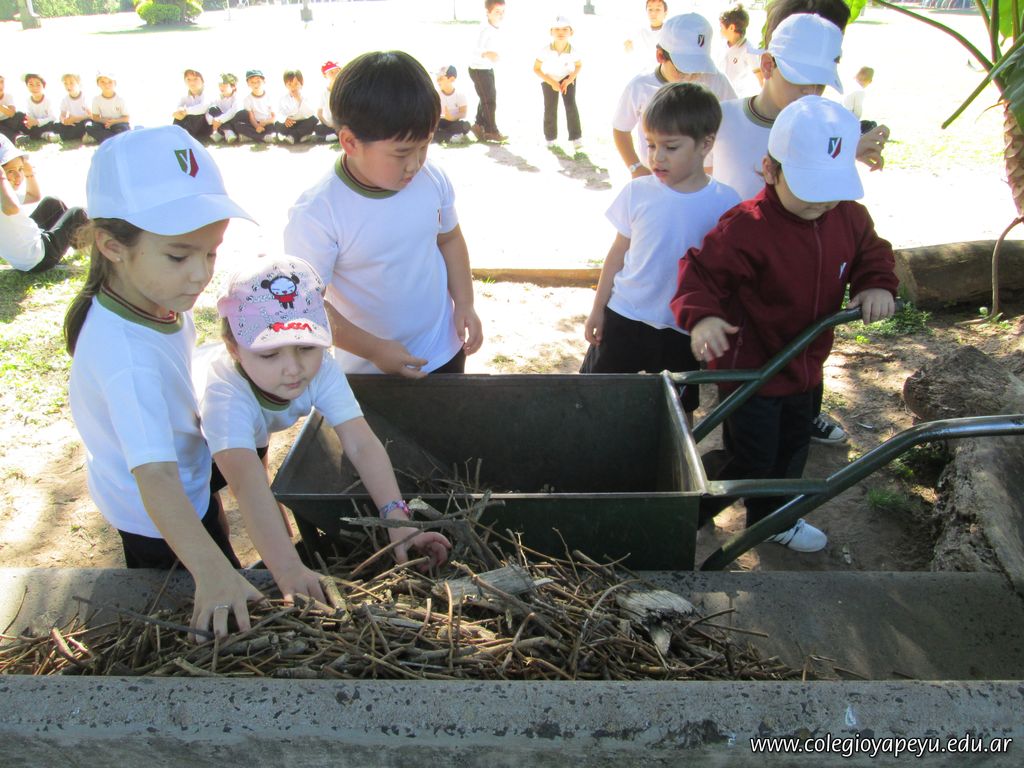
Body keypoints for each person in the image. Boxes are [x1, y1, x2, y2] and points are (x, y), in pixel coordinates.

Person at [672, 96, 898, 552]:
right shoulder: (746, 227)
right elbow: (700, 274)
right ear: (769, 170)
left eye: (832, 187)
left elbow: (871, 252)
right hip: (753, 369)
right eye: (810, 188)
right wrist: (704, 317)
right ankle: (683, 511)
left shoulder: (848, 216)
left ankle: (773, 517)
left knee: (794, 445)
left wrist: (876, 283)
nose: (823, 200)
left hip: (806, 363)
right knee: (750, 455)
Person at [64, 125, 260, 640]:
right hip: (157, 517)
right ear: (112, 245)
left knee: (215, 533)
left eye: (211, 252)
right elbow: (154, 477)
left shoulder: (156, 298)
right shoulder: (127, 359)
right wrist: (212, 571)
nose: (200, 274)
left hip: (183, 469)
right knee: (204, 621)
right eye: (180, 255)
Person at [201, 256, 452, 599]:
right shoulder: (224, 398)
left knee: (257, 462)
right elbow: (245, 486)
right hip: (188, 446)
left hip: (253, 425)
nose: (293, 368)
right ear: (234, 350)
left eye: (306, 346)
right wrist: (289, 572)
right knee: (205, 515)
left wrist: (398, 518)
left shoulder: (320, 369)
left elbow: (361, 444)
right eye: (269, 354)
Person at [283, 51, 483, 377]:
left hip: (443, 350)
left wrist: (464, 303)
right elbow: (305, 303)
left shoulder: (432, 178)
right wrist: (374, 350)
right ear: (350, 142)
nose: (415, 164)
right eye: (401, 153)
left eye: (425, 145)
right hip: (369, 370)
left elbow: (449, 239)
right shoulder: (318, 214)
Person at [581, 82, 740, 422]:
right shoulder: (637, 192)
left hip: (680, 328)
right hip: (625, 314)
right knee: (593, 397)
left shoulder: (726, 203)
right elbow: (617, 254)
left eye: (671, 147)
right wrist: (598, 309)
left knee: (676, 413)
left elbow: (726, 273)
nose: (656, 157)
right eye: (651, 145)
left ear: (705, 144)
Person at [613, 13, 735, 177]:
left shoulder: (717, 80)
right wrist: (635, 167)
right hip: (658, 175)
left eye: (698, 67)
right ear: (660, 56)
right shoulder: (640, 86)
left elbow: (735, 121)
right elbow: (621, 128)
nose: (692, 75)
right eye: (683, 68)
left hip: (705, 176)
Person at [1, 135, 88, 272]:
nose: (18, 176)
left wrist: (29, 174)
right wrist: (2, 179)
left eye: (20, 169)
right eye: (10, 172)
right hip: (40, 259)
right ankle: (83, 245)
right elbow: (11, 208)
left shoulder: (6, 195)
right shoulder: (7, 200)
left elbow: (33, 196)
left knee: (52, 202)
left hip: (25, 257)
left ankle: (71, 240)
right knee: (77, 213)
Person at [534, 15, 584, 154]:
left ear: (571, 32)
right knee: (550, 108)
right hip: (549, 79)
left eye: (565, 29)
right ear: (551, 32)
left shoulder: (573, 51)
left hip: (567, 78)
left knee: (571, 106)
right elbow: (536, 68)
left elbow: (579, 65)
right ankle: (550, 138)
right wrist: (551, 82)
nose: (560, 32)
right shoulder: (545, 50)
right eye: (556, 29)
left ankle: (576, 138)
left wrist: (569, 80)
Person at [468, 0, 508, 143]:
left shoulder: (494, 28)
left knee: (486, 97)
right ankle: (491, 130)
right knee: (489, 100)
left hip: (487, 68)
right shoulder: (485, 29)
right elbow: (475, 49)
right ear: (488, 12)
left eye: (502, 12)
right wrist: (486, 53)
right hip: (478, 69)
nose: (501, 15)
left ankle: (478, 125)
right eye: (497, 12)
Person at [719, 5, 763, 97]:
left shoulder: (748, 49)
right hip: (720, 93)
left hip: (736, 96)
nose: (720, 30)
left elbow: (760, 77)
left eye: (721, 27)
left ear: (731, 27)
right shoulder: (722, 44)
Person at [85, 71, 131, 144]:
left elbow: (126, 118)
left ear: (115, 83)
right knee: (89, 126)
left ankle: (108, 138)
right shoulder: (96, 100)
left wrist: (114, 121)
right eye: (103, 82)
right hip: (104, 123)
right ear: (98, 84)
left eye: (110, 82)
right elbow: (95, 117)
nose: (106, 85)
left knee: (123, 129)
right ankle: (115, 139)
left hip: (118, 123)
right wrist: (106, 121)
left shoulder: (120, 99)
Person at [276, 70, 319, 144]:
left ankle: (293, 136)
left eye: (296, 84)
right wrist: (285, 119)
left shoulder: (306, 96)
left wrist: (299, 100)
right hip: (291, 123)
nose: (293, 87)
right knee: (277, 124)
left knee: (313, 120)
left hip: (303, 122)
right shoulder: (283, 99)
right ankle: (299, 136)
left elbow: (310, 112)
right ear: (285, 85)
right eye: (290, 84)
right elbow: (280, 112)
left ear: (301, 84)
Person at [234, 69, 277, 144]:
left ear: (264, 81)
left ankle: (252, 137)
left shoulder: (270, 97)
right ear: (248, 84)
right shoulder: (247, 99)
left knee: (275, 127)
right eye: (252, 82)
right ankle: (262, 137)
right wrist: (257, 126)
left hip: (267, 123)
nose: (255, 84)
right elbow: (251, 117)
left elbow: (274, 117)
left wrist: (266, 122)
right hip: (255, 123)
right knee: (239, 125)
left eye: (258, 81)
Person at [172, 69, 213, 142]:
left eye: (195, 79)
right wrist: (179, 111)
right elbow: (178, 107)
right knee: (178, 117)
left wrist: (185, 111)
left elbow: (203, 107)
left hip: (206, 126)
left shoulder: (208, 92)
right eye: (188, 79)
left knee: (196, 114)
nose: (192, 82)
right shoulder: (184, 96)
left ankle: (185, 136)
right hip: (193, 125)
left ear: (202, 80)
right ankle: (176, 136)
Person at [434, 65, 471, 144]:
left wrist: (452, 117)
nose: (437, 81)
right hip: (440, 122)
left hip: (453, 123)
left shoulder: (459, 94)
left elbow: (463, 113)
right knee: (430, 127)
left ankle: (444, 136)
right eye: (437, 78)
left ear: (451, 79)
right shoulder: (436, 95)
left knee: (466, 125)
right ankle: (451, 136)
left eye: (441, 78)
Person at [207, 73, 243, 144]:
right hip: (222, 122)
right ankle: (227, 132)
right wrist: (213, 121)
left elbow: (233, 112)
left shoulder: (237, 97)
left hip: (234, 121)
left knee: (239, 115)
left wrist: (219, 120)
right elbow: (209, 111)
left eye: (225, 85)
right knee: (213, 109)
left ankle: (227, 132)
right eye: (220, 85)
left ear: (233, 87)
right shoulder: (217, 98)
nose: (221, 87)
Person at [22, 74, 60, 143]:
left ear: (43, 86)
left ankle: (46, 135)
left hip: (49, 124)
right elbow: (30, 115)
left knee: (55, 125)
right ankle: (45, 135)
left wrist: (37, 122)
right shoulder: (28, 100)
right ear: (27, 86)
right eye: (31, 84)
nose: (34, 88)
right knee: (23, 122)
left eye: (38, 85)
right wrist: (30, 122)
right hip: (36, 125)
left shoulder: (48, 100)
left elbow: (53, 117)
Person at [57, 73, 93, 144]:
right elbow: (62, 115)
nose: (68, 86)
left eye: (71, 83)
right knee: (58, 125)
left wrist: (76, 118)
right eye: (66, 83)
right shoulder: (65, 100)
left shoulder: (85, 97)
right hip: (73, 123)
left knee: (89, 125)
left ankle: (88, 136)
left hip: (84, 121)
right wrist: (64, 121)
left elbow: (91, 115)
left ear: (79, 83)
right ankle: (78, 135)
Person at [314, 61, 341, 143]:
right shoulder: (324, 93)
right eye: (331, 72)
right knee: (318, 128)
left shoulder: (343, 88)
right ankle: (335, 136)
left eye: (337, 71)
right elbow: (319, 113)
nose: (335, 74)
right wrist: (328, 124)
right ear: (325, 75)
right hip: (330, 124)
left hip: (342, 122)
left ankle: (333, 136)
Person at [0, 74, 26, 143]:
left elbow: (12, 114)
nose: (0, 85)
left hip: (9, 121)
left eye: (2, 82)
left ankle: (26, 132)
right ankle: (16, 137)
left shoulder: (8, 96)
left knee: (20, 115)